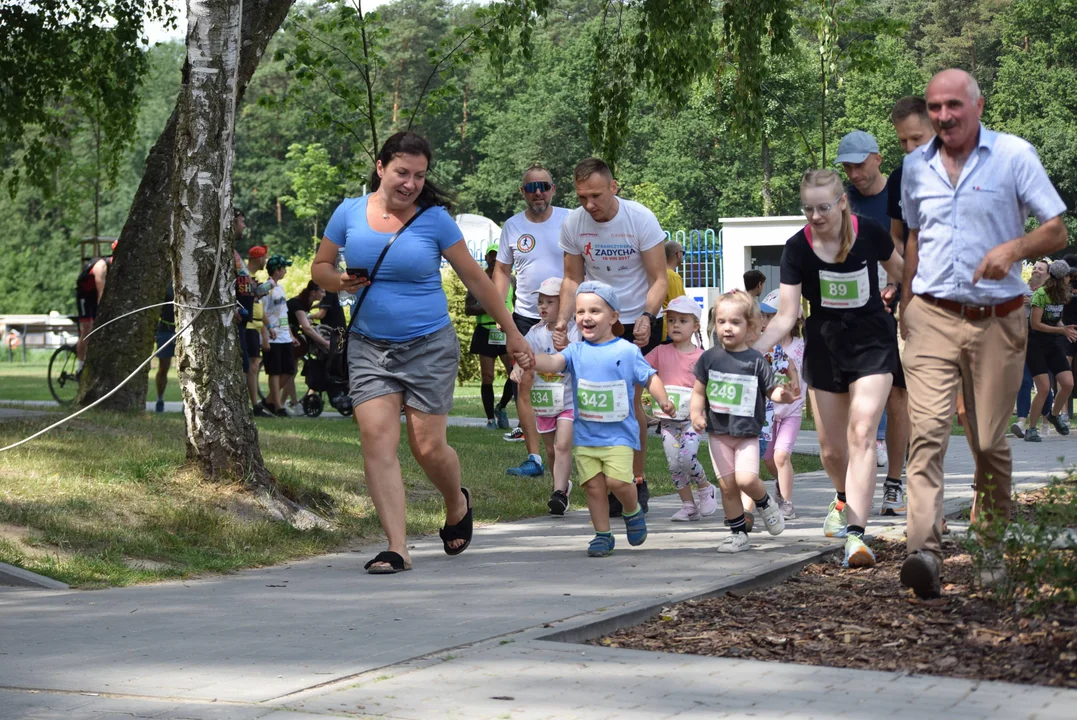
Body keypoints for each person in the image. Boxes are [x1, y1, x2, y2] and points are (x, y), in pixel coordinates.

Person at [312, 131, 531, 574]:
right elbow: (321, 267)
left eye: (419, 175)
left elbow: (478, 280)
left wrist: (512, 332)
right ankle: (396, 546)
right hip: (370, 346)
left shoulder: (434, 220)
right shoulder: (349, 212)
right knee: (376, 440)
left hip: (428, 345)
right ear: (380, 167)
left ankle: (457, 500)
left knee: (428, 447)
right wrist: (340, 282)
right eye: (401, 173)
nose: (410, 183)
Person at [898, 69, 1068, 599]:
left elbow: (1056, 228)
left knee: (991, 441)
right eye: (935, 107)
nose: (944, 115)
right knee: (926, 434)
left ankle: (991, 543)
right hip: (930, 316)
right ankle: (923, 551)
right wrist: (905, 304)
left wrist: (1013, 250)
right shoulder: (913, 167)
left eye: (954, 105)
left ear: (978, 105)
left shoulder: (1014, 155)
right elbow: (914, 239)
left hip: (998, 319)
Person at [756, 169, 905, 569]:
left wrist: (898, 294)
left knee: (862, 434)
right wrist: (749, 354)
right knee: (830, 449)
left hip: (873, 341)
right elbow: (786, 316)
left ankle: (856, 537)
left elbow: (903, 270)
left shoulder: (870, 231)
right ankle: (842, 497)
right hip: (825, 346)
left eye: (823, 207)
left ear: (842, 202)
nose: (816, 215)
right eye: (808, 208)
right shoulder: (796, 249)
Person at [554, 158, 668, 515]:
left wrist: (647, 317)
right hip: (598, 319)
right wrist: (562, 321)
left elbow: (659, 278)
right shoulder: (574, 223)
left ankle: (635, 480)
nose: (590, 205)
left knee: (629, 403)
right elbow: (572, 278)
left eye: (597, 196)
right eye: (582, 197)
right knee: (595, 401)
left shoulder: (640, 219)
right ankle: (605, 480)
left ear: (614, 187)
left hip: (637, 318)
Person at [527, 281, 675, 556]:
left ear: (614, 317)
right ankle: (602, 535)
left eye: (595, 311)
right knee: (594, 487)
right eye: (580, 311)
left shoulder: (627, 351)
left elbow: (649, 376)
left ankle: (633, 511)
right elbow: (554, 363)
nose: (586, 317)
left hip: (619, 435)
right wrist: (532, 359)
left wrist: (663, 399)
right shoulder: (575, 351)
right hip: (586, 436)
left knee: (618, 482)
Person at [692, 290, 798, 553]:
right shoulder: (709, 358)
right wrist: (696, 414)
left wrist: (782, 395)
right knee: (728, 486)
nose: (727, 328)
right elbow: (698, 391)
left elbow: (770, 390)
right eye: (721, 321)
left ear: (750, 326)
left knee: (747, 480)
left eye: (735, 322)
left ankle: (764, 503)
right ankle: (738, 533)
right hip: (718, 433)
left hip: (748, 433)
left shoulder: (756, 360)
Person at [494, 165, 570, 476]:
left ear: (553, 188)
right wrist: (501, 308)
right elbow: (501, 270)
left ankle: (578, 453)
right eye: (531, 187)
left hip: (568, 315)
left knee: (574, 381)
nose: (538, 192)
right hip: (526, 316)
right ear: (522, 192)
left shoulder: (571, 219)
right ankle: (535, 459)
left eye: (543, 186)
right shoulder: (512, 226)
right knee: (524, 383)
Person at [836, 129, 904, 472]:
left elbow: (906, 247)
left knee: (897, 396)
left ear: (878, 158)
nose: (854, 174)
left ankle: (894, 480)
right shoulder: (842, 201)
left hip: (896, 304)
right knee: (851, 397)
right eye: (847, 168)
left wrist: (895, 287)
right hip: (852, 310)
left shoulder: (900, 195)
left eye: (860, 165)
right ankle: (851, 485)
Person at [510, 277, 581, 515]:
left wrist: (567, 345)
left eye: (550, 302)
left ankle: (559, 493)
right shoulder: (535, 332)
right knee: (551, 450)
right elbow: (525, 355)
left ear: (564, 305)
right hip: (545, 402)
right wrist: (518, 368)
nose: (542, 307)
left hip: (569, 400)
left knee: (562, 446)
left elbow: (581, 358)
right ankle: (560, 486)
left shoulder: (574, 329)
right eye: (540, 302)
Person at [645, 296, 718, 521]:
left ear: (695, 325)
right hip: (667, 421)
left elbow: (711, 387)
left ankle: (705, 487)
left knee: (687, 458)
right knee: (674, 463)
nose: (676, 325)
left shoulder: (702, 357)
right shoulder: (660, 352)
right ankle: (688, 505)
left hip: (691, 420)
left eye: (683, 321)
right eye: (672, 320)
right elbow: (640, 370)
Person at [759, 289, 806, 520]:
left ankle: (786, 503)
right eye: (764, 317)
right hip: (767, 414)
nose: (766, 322)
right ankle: (780, 483)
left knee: (780, 456)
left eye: (771, 316)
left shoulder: (801, 346)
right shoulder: (762, 347)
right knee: (768, 459)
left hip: (791, 413)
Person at [1024, 260, 1077, 442]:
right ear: (1061, 278)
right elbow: (1036, 325)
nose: (1070, 280)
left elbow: (1056, 319)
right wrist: (1061, 330)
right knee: (1044, 388)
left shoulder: (1060, 294)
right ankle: (1031, 429)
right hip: (1036, 345)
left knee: (1068, 383)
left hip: (1053, 344)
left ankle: (1054, 415)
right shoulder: (1040, 294)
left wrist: (1066, 328)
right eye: (1068, 276)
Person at [467, 245, 516, 430]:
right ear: (486, 257)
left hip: (505, 330)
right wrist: (489, 307)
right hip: (486, 331)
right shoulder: (478, 280)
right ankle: (490, 420)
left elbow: (516, 302)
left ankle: (501, 407)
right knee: (487, 376)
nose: (494, 260)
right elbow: (468, 308)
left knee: (514, 372)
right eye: (492, 256)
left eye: (498, 256)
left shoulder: (511, 279)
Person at [1013, 259, 1052, 438]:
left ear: (1048, 274)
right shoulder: (1021, 291)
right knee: (1024, 382)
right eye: (1034, 267)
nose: (1036, 270)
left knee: (1044, 385)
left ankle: (1045, 422)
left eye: (1040, 268)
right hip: (1024, 343)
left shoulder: (1051, 294)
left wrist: (1036, 304)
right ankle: (1021, 422)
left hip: (1044, 344)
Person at [286, 280, 332, 413]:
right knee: (289, 372)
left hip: (291, 335)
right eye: (322, 291)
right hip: (287, 337)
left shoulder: (306, 303)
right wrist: (324, 342)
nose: (324, 295)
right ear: (314, 292)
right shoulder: (298, 304)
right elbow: (306, 328)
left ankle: (284, 403)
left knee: (291, 372)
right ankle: (294, 404)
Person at [261, 254, 296, 417]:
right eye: (284, 269)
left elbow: (284, 313)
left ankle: (268, 401)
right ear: (277, 270)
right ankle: (277, 405)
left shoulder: (280, 288)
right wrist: (267, 333)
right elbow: (262, 312)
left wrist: (290, 334)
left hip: (284, 335)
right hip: (273, 335)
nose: (286, 272)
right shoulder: (266, 288)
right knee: (274, 371)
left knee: (289, 370)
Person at [74, 241, 115, 372]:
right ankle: (80, 366)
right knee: (87, 329)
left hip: (94, 295)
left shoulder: (114, 266)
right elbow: (101, 294)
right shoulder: (101, 267)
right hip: (85, 296)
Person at [245, 245, 271, 416]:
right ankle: (253, 404)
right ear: (258, 258)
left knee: (253, 365)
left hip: (255, 327)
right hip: (248, 326)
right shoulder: (245, 278)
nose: (265, 261)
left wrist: (267, 328)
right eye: (264, 258)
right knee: (251, 365)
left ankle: (254, 404)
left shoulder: (252, 278)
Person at [152, 281, 176, 412]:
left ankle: (187, 403)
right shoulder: (164, 282)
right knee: (163, 368)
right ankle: (160, 399)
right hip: (166, 329)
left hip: (184, 328)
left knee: (188, 369)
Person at [662, 241, 687, 341]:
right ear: (678, 254)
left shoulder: (659, 274)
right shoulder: (672, 276)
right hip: (670, 329)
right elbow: (679, 305)